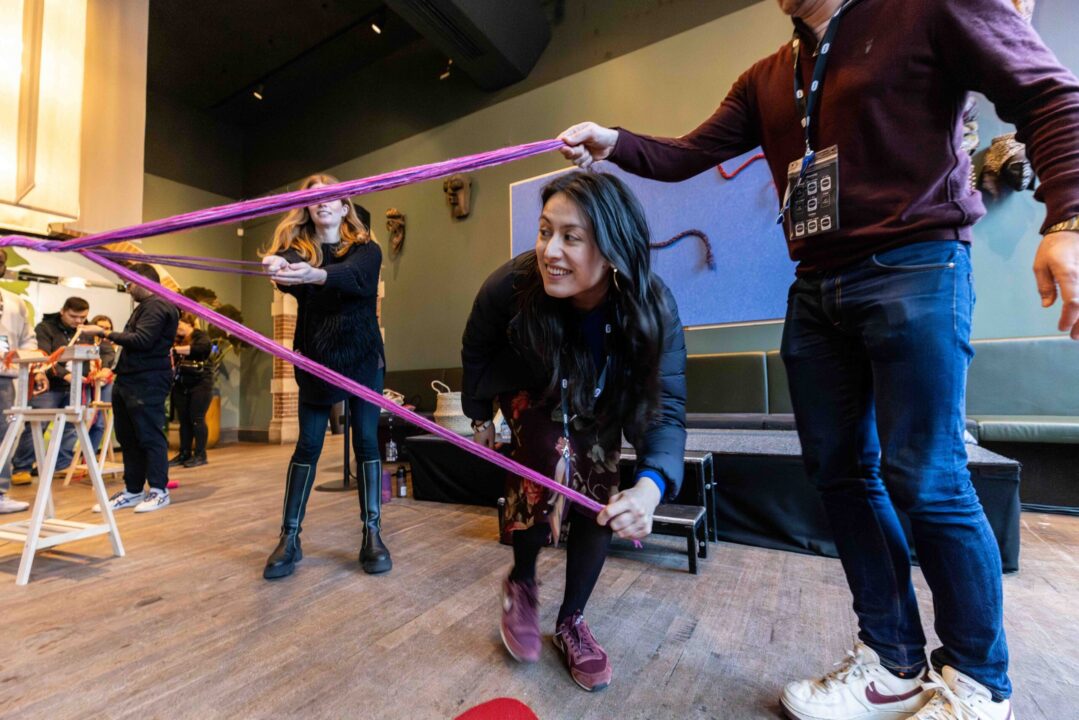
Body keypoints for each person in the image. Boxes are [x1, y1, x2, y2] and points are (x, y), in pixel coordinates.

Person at [558, 1, 1079, 718]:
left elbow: (1048, 93)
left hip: (917, 266)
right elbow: (687, 155)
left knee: (926, 477)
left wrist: (1067, 218)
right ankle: (893, 662)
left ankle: (979, 684)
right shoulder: (768, 77)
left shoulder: (926, 7)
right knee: (840, 477)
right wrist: (612, 141)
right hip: (815, 287)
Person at [462, 171, 687, 692]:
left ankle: (572, 620)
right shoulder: (513, 284)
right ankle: (522, 582)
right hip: (530, 380)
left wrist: (651, 486)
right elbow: (476, 344)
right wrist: (479, 416)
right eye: (545, 231)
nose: (549, 251)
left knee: (599, 484)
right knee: (547, 452)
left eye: (571, 237)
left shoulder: (652, 306)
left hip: (601, 395)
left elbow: (666, 407)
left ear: (611, 250)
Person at [260, 173, 388, 579]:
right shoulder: (299, 253)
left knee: (366, 442)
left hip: (364, 359)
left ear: (345, 205)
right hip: (317, 360)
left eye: (331, 196)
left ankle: (372, 534)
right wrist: (277, 265)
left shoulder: (367, 250)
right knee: (308, 445)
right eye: (314, 198)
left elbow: (355, 278)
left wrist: (316, 275)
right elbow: (287, 271)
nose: (323, 202)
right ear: (307, 209)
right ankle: (289, 537)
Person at [84, 263, 179, 514]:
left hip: (147, 380)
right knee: (128, 438)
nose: (128, 289)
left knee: (149, 435)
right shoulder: (147, 306)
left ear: (142, 281)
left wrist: (105, 333)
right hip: (130, 379)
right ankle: (133, 490)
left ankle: (159, 490)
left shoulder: (158, 305)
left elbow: (142, 340)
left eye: (129, 284)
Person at [9, 296, 91, 484]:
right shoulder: (45, 328)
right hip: (49, 386)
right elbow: (44, 357)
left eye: (82, 317)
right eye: (73, 316)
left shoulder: (85, 331)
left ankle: (61, 465)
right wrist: (65, 375)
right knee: (37, 425)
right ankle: (22, 468)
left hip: (75, 386)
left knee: (71, 426)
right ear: (62, 311)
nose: (78, 321)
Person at [0, 248, 43, 513]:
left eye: (0, 262)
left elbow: (28, 339)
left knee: (4, 436)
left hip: (5, 379)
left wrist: (36, 369)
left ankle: (0, 493)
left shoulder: (15, 302)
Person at [168, 312, 213, 469]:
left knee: (197, 418)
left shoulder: (200, 336)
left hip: (200, 383)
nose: (177, 327)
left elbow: (201, 349)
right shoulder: (176, 339)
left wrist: (175, 350)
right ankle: (184, 453)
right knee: (184, 420)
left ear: (190, 325)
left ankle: (200, 455)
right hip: (181, 383)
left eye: (180, 324)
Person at [85, 314, 117, 457]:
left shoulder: (113, 346)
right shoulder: (85, 341)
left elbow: (110, 360)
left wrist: (105, 370)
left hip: (106, 384)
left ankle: (89, 458)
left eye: (108, 328)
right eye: (101, 327)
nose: (104, 331)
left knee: (99, 423)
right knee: (85, 420)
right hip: (85, 384)